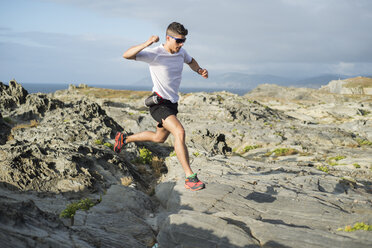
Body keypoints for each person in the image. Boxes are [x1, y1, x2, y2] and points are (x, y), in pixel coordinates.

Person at [114, 22, 208, 191]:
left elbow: (191, 61)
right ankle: (190, 177)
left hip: (172, 104)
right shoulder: (155, 53)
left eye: (183, 41)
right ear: (168, 38)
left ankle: (124, 139)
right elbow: (126, 55)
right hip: (159, 104)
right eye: (178, 41)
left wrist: (199, 70)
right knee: (179, 131)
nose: (181, 44)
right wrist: (146, 43)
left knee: (159, 138)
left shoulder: (181, 53)